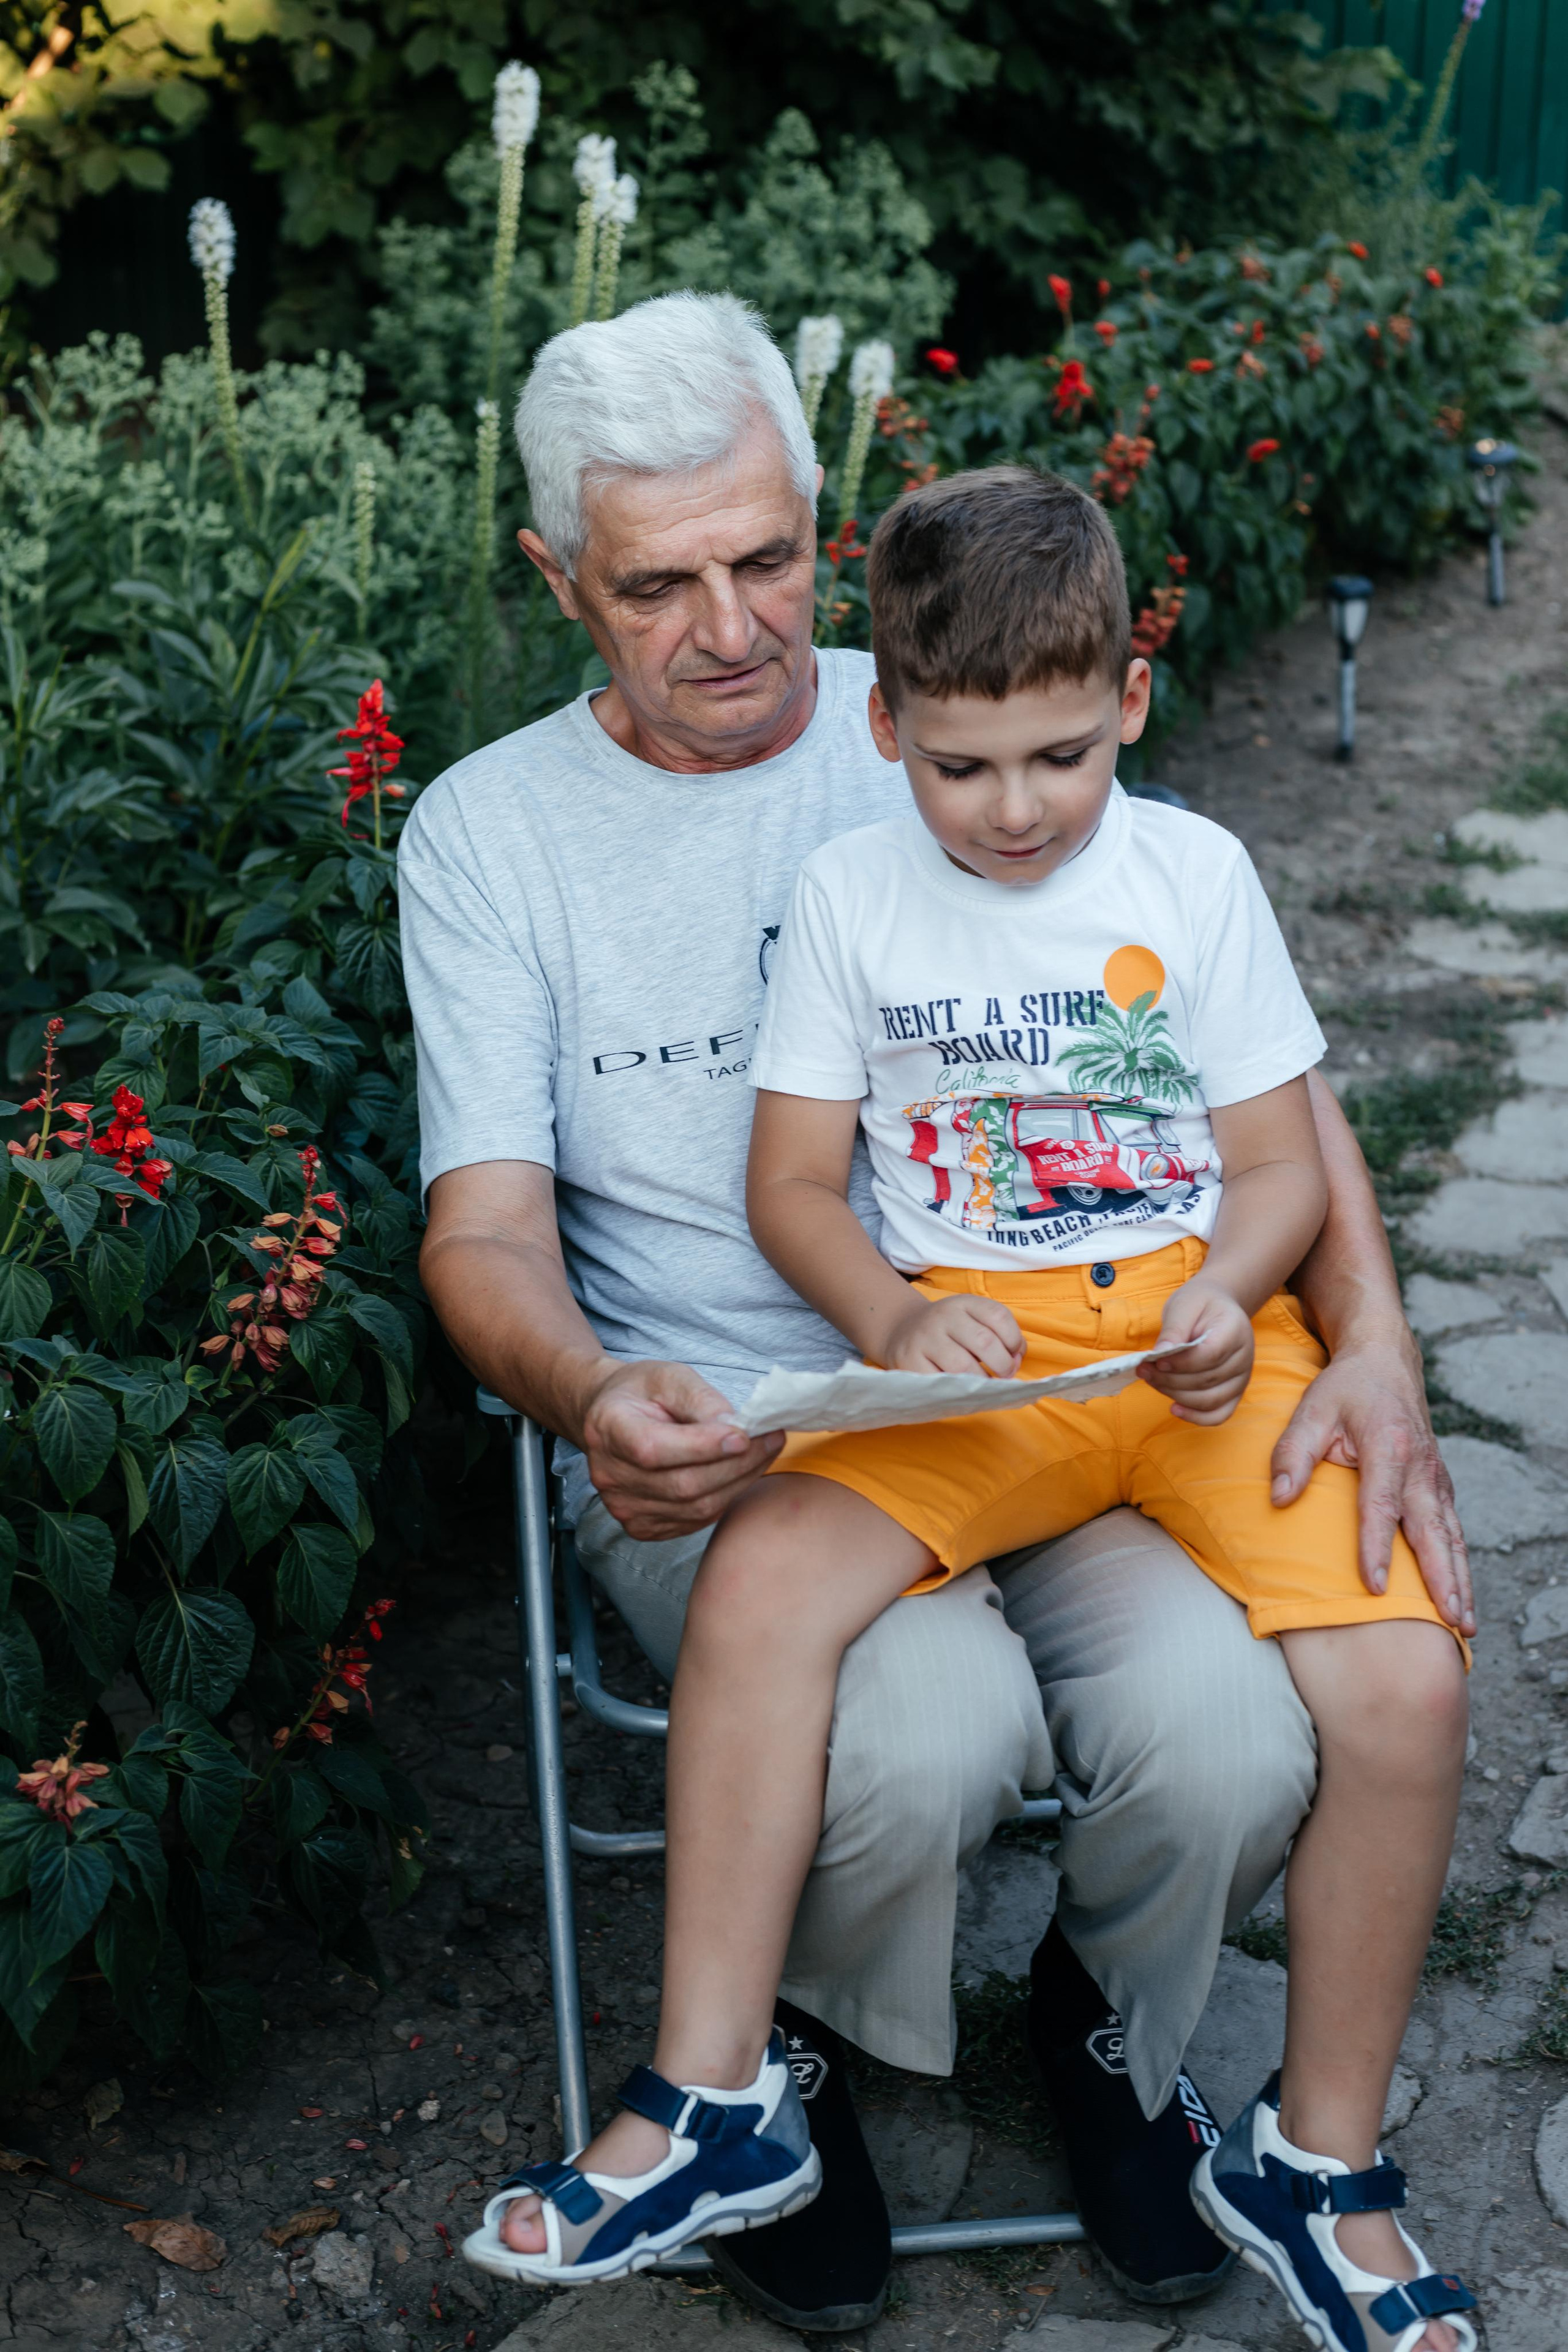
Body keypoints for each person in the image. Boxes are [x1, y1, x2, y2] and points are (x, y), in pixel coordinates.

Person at [404, 292, 1474, 2334]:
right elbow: (485, 1236)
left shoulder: (955, 699)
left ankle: (1108, 2029)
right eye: (658, 583)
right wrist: (598, 1389)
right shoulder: (495, 835)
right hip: (747, 1421)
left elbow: (1267, 1106)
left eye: (768, 559)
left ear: (827, 522)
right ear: (556, 578)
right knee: (926, 1726)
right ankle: (768, 2071)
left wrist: (1387, 1351)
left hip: (1105, 1369)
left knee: (1235, 1730)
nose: (731, 628)